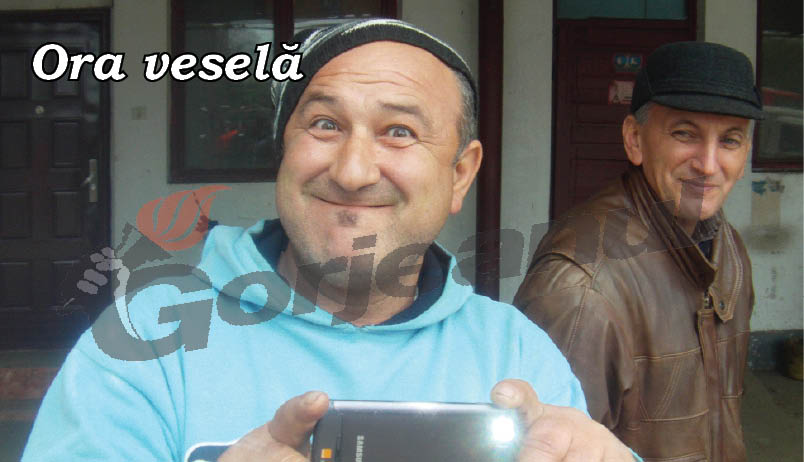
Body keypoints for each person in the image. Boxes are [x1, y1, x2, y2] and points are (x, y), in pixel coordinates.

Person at [23, 19, 637, 462]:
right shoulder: (147, 339)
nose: (353, 171)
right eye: (325, 124)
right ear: (283, 152)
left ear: (459, 175)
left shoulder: (516, 353)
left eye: (399, 131)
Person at [514, 41, 761, 462]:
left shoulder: (728, 249)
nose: (708, 164)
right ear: (634, 139)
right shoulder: (581, 288)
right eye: (685, 134)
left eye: (730, 140)